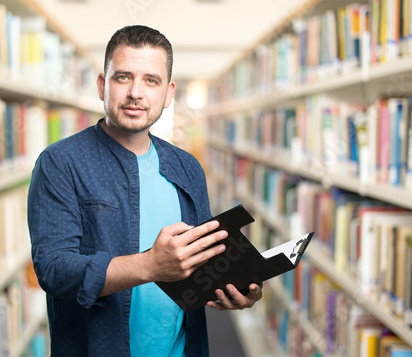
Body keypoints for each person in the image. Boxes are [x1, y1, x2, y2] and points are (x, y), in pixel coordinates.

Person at [27, 25, 263, 357]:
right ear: (102, 85)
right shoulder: (60, 163)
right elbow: (53, 269)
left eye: (150, 80)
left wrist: (239, 285)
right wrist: (150, 265)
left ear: (168, 94)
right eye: (123, 77)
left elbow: (206, 259)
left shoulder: (187, 167)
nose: (136, 92)